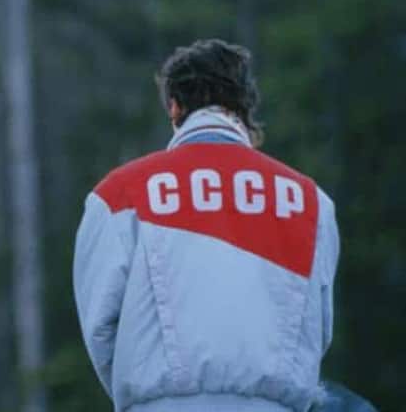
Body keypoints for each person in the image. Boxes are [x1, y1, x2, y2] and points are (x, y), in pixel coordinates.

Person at [73, 39, 340, 411]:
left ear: (174, 107)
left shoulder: (118, 194)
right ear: (244, 107)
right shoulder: (313, 202)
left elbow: (100, 328)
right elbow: (318, 327)